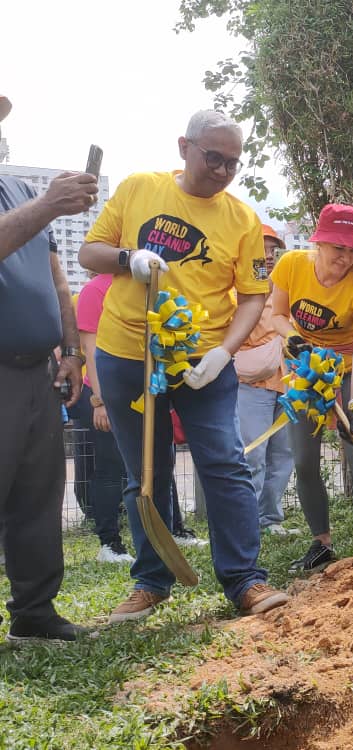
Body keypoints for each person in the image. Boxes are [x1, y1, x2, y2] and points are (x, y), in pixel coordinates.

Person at [79, 110, 288, 622]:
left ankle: (245, 581)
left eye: (231, 164)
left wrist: (223, 352)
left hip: (204, 362)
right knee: (145, 473)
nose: (220, 171)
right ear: (184, 147)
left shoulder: (241, 220)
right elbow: (89, 252)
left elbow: (253, 297)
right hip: (127, 353)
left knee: (226, 463)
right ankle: (151, 580)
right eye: (212, 157)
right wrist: (129, 259)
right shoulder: (138, 189)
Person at [0, 92, 97, 642]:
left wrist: (72, 350)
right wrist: (48, 205)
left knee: (39, 495)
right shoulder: (34, 202)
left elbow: (57, 278)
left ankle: (34, 612)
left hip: (38, 370)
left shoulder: (18, 189)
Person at [270, 203, 353, 570]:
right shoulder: (291, 266)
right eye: (338, 247)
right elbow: (277, 315)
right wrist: (292, 338)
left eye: (352, 249)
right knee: (304, 460)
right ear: (319, 242)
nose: (345, 256)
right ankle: (321, 542)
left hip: (351, 369)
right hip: (306, 371)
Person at [236, 224, 296, 536]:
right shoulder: (237, 289)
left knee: (284, 455)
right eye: (264, 249)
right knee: (253, 454)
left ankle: (271, 518)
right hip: (251, 383)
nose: (270, 256)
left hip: (286, 382)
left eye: (274, 250)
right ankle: (247, 521)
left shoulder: (286, 286)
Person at [75, 273, 133, 563]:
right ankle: (109, 543)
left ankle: (170, 531)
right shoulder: (94, 290)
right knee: (110, 468)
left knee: (156, 465)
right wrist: (100, 401)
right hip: (104, 395)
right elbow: (91, 349)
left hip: (141, 392)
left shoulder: (144, 283)